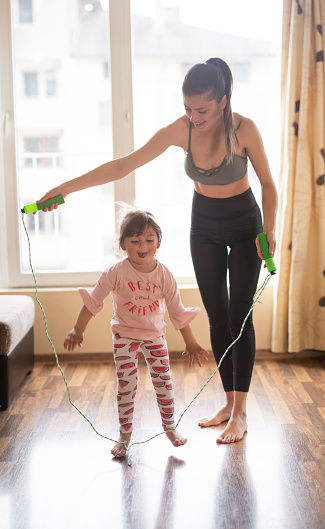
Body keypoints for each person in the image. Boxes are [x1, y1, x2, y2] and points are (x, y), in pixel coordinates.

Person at [39, 57, 277, 444]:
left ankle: (241, 413)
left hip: (245, 223)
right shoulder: (181, 130)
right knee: (216, 314)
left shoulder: (244, 129)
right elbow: (122, 167)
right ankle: (228, 402)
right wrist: (63, 189)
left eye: (201, 109)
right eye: (187, 109)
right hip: (204, 224)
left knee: (239, 314)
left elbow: (268, 183)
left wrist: (269, 230)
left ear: (222, 99)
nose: (193, 117)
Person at [63, 209, 209, 457]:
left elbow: (177, 312)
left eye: (149, 240)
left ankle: (170, 426)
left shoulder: (165, 275)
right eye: (135, 240)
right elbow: (93, 302)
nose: (143, 246)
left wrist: (191, 342)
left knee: (163, 382)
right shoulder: (116, 271)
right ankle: (125, 434)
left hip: (154, 336)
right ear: (123, 244)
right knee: (126, 386)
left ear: (158, 243)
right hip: (124, 337)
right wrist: (78, 329)